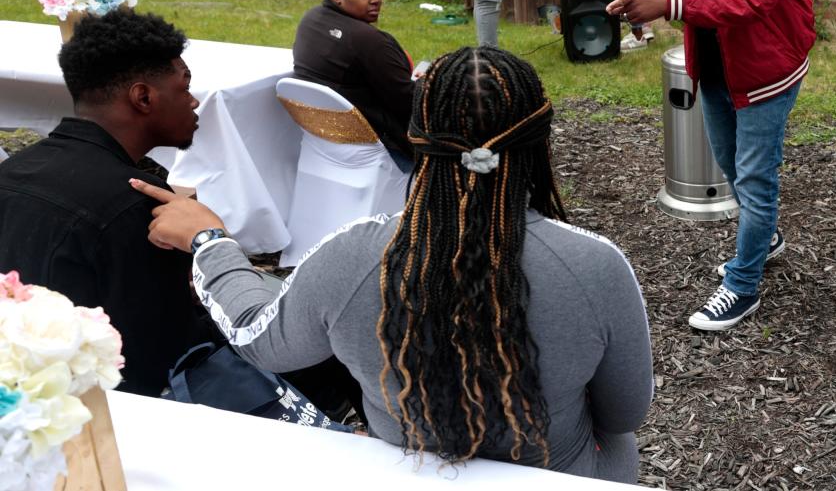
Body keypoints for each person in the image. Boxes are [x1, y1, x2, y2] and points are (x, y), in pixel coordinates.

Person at [131, 47, 654, 483]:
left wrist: (209, 240)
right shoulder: (596, 266)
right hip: (558, 474)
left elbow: (259, 337)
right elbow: (624, 413)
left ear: (417, 139)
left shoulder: (354, 255)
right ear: (539, 144)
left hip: (405, 471)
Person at [607, 0, 816, 331]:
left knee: (754, 176)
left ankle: (743, 286)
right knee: (730, 165)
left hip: (766, 62)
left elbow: (754, 0)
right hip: (714, 59)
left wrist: (669, 5)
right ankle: (764, 234)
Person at [0, 10, 218, 396]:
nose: (195, 101)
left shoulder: (13, 168)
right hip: (111, 412)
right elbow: (169, 351)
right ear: (143, 97)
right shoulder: (141, 205)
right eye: (184, 87)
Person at [294, 0, 415, 169]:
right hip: (381, 145)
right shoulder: (367, 39)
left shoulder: (310, 20)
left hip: (328, 144)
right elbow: (409, 103)